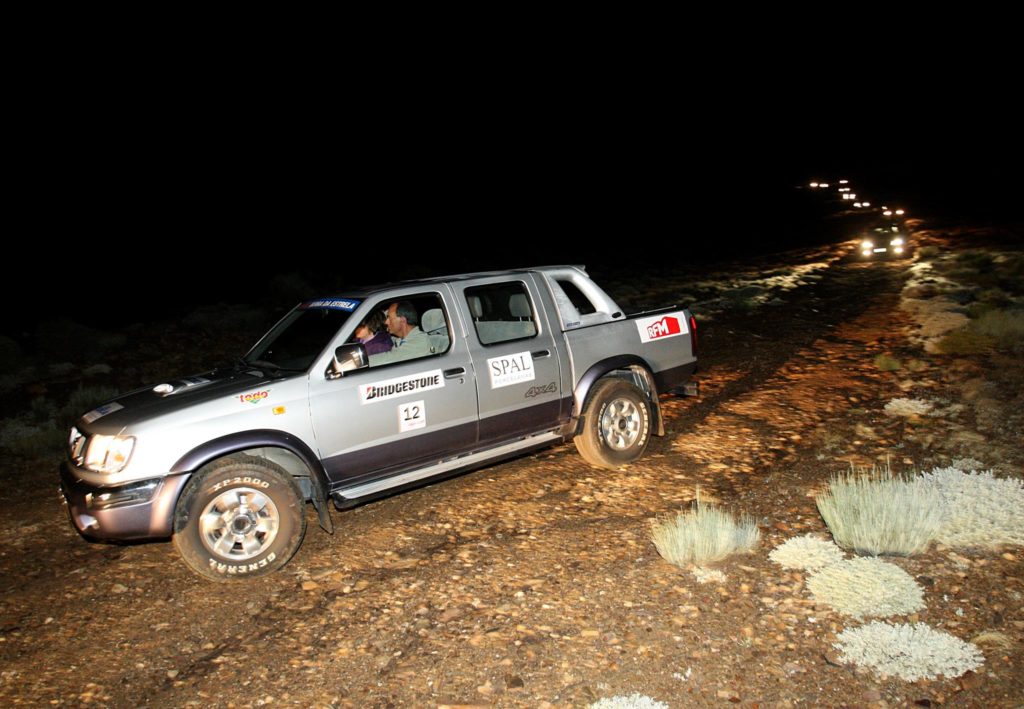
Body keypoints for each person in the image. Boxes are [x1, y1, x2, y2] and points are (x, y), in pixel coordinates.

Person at [368, 301, 434, 366]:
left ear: (402, 320)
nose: (386, 322)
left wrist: (360, 362)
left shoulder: (419, 342)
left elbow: (390, 358)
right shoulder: (402, 340)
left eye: (389, 317)